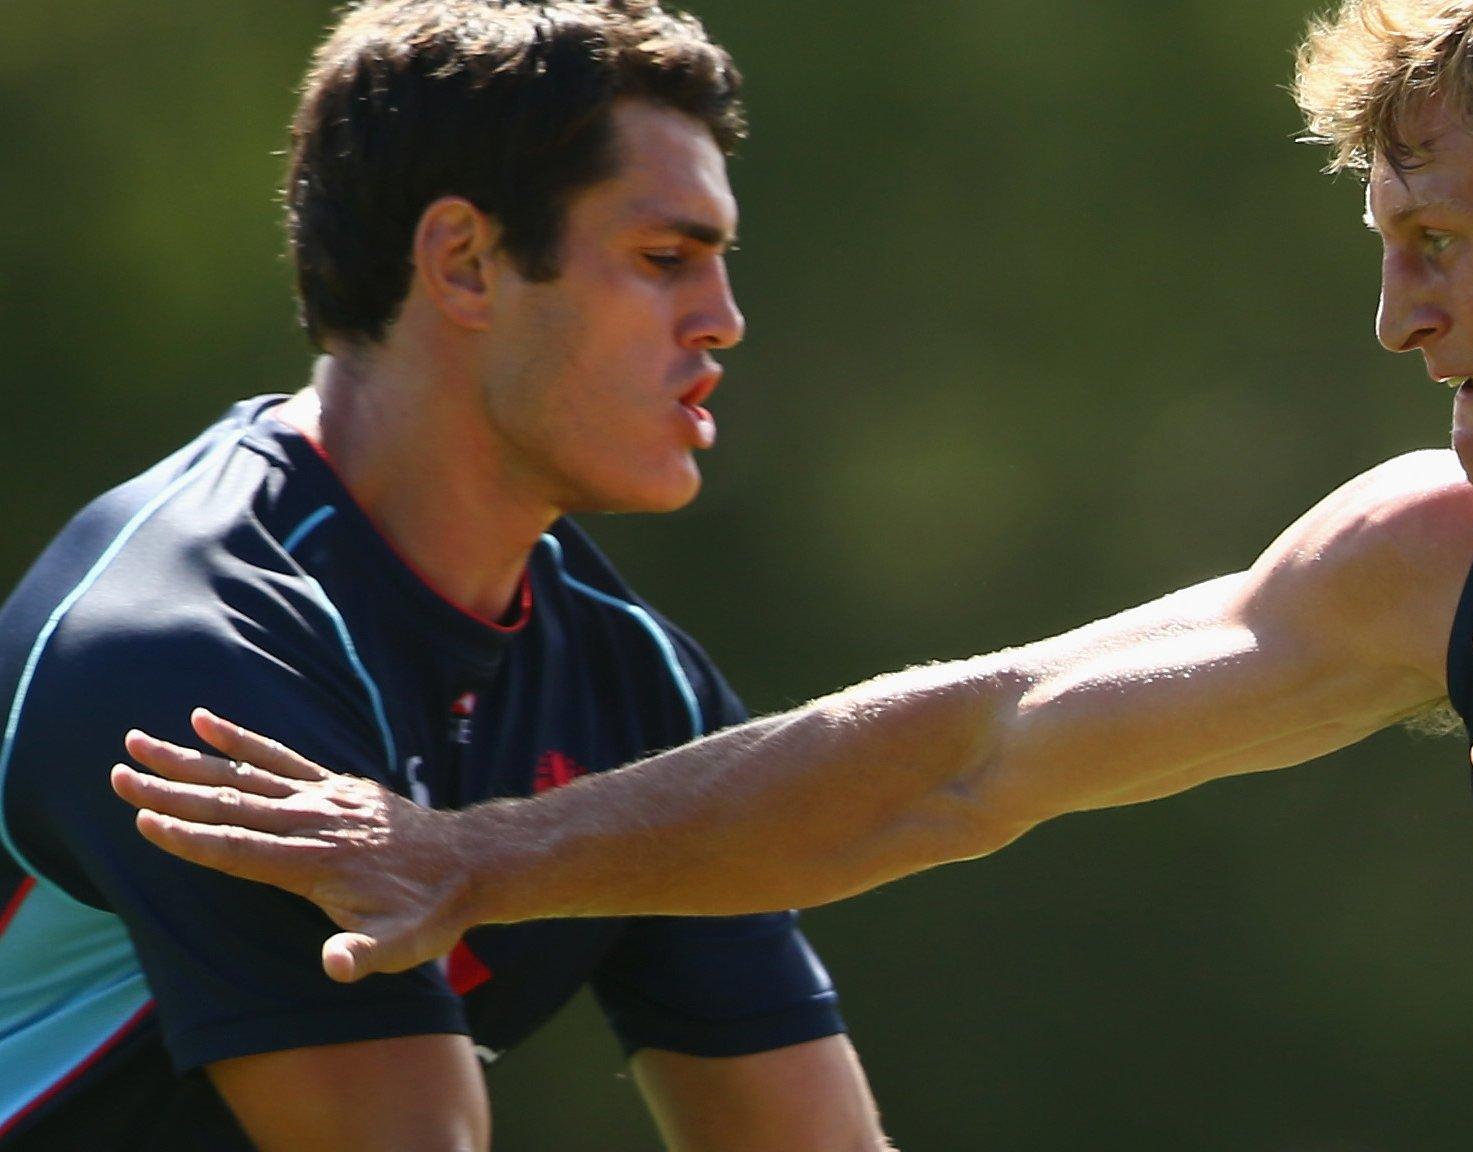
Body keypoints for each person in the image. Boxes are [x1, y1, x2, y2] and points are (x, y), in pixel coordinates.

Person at [113, 0, 1473, 1146]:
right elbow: (979, 748)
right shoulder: (1451, 546)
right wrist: (478, 853)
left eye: (1437, 242)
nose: (1393, 318)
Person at [0, 2, 890, 1148]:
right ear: (465, 263)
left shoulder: (633, 681)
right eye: (664, 259)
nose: (722, 322)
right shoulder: (188, 654)